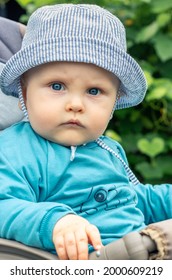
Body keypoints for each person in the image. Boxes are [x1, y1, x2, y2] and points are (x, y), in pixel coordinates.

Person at [0, 4, 172, 260]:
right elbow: (4, 204)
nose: (76, 104)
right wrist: (56, 222)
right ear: (24, 93)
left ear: (114, 102)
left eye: (94, 91)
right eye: (57, 86)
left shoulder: (107, 148)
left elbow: (131, 200)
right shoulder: (16, 149)